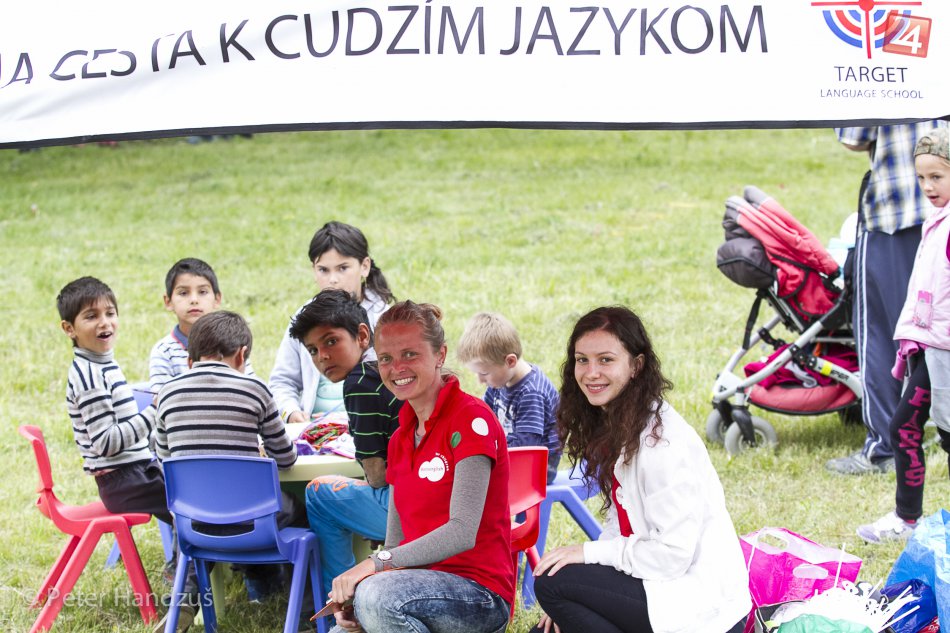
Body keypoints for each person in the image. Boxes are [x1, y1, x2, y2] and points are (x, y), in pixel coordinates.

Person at [532, 306, 750, 633]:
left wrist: (588, 555)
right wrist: (578, 603)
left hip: (697, 604)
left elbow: (673, 556)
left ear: (636, 365)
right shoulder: (621, 422)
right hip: (655, 583)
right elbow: (621, 522)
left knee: (553, 583)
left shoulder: (662, 445)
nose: (591, 373)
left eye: (606, 360)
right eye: (582, 360)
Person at [327, 301, 512, 633]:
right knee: (343, 628)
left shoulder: (471, 419)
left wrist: (374, 567)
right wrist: (361, 597)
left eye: (410, 354)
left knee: (375, 596)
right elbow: (395, 545)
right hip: (412, 589)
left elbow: (462, 531)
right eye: (386, 358)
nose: (397, 368)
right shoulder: (400, 437)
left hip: (479, 595)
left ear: (440, 355)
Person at [56, 277, 196, 632]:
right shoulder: (89, 376)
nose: (104, 322)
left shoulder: (102, 363)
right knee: (196, 508)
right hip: (124, 480)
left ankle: (191, 582)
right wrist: (155, 411)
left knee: (191, 497)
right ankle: (185, 600)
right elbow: (107, 442)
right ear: (69, 329)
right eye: (91, 316)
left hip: (135, 471)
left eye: (110, 313)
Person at [154, 311, 305, 610]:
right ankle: (304, 605)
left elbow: (165, 460)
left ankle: (186, 597)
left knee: (195, 506)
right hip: (252, 521)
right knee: (302, 511)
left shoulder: (167, 395)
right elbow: (285, 458)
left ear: (190, 360)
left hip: (193, 523)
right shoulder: (256, 390)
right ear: (241, 355)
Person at [827, 120, 950, 475]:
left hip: (894, 213)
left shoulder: (876, 78)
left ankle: (885, 448)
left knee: (883, 335)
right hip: (938, 214)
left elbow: (854, 137)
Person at [857, 128, 950, 543]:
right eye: (922, 178)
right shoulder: (937, 220)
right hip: (931, 347)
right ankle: (906, 519)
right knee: (905, 427)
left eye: (938, 177)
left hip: (945, 351)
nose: (928, 186)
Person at [286, 288, 401, 596]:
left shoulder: (359, 381)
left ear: (362, 336)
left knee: (318, 493)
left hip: (407, 507)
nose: (322, 356)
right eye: (312, 350)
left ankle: (340, 599)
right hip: (439, 495)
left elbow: (376, 476)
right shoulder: (386, 366)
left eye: (331, 341)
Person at [270, 221, 395, 424]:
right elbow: (282, 382)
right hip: (312, 428)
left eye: (343, 268)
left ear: (364, 266)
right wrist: (291, 413)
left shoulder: (387, 320)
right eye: (323, 270)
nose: (333, 279)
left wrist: (347, 420)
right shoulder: (304, 319)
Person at [456, 311, 561, 482]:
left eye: (484, 373)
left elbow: (526, 447)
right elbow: (483, 418)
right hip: (511, 456)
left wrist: (486, 451)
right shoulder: (499, 381)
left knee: (472, 478)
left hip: (536, 468)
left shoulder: (531, 393)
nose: (480, 380)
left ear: (510, 361)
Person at [148, 257, 254, 394]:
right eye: (183, 293)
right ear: (168, 301)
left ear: (217, 299)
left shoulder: (234, 343)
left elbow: (251, 389)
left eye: (203, 292)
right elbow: (161, 399)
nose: (194, 300)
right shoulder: (164, 351)